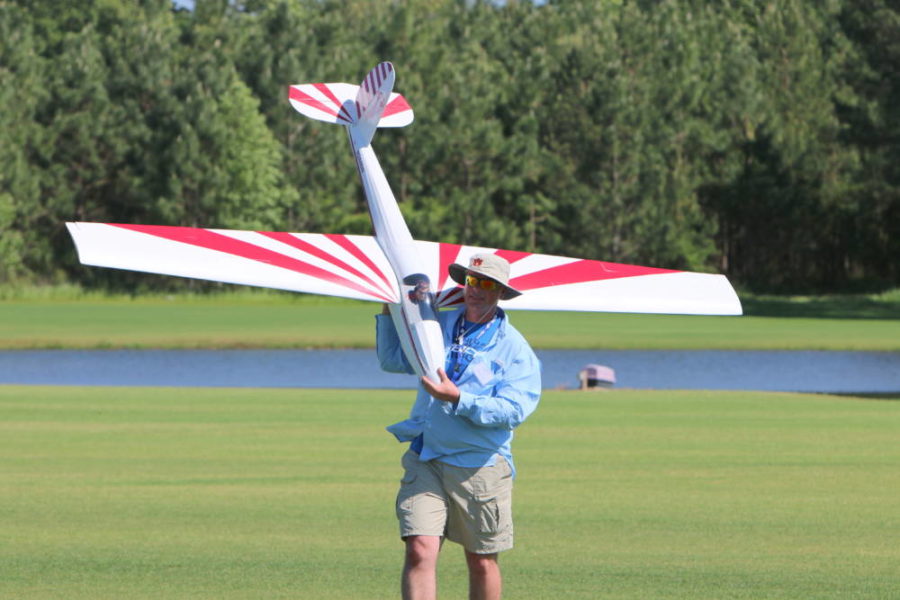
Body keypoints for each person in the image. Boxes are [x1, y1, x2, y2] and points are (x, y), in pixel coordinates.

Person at [376, 253, 541, 600]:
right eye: (470, 281)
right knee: (419, 549)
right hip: (427, 456)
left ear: (500, 292)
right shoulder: (438, 325)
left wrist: (459, 399)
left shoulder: (515, 349)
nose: (475, 290)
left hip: (479, 465)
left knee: (481, 561)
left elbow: (513, 411)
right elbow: (393, 360)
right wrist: (389, 308)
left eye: (485, 284)